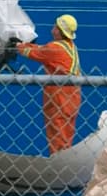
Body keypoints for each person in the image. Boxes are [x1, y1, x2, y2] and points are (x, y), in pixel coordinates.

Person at [16, 14, 82, 155]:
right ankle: (64, 161)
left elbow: (35, 52)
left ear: (59, 30)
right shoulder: (69, 46)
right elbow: (43, 49)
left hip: (59, 96)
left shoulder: (55, 48)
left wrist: (18, 46)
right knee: (66, 132)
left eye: (55, 27)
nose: (52, 30)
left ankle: (59, 164)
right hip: (73, 95)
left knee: (57, 132)